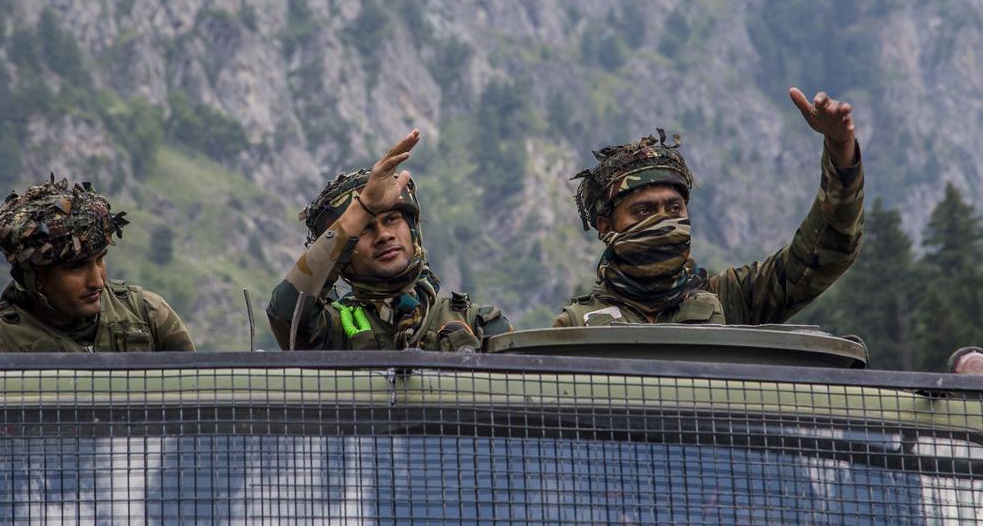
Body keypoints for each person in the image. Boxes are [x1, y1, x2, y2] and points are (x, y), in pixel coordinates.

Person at [554, 88, 864, 327]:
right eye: (644, 211)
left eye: (674, 208)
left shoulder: (730, 299)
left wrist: (840, 149)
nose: (664, 221)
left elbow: (824, 252)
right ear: (607, 226)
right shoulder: (577, 325)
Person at [267, 129, 511, 351]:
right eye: (364, 229)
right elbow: (286, 314)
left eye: (392, 219)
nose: (383, 235)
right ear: (344, 252)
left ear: (412, 227)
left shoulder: (478, 324)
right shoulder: (336, 329)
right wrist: (361, 209)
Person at [0, 177, 194, 353]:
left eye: (100, 259)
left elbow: (198, 395)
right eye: (76, 267)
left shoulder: (147, 312)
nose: (97, 281)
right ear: (36, 278)